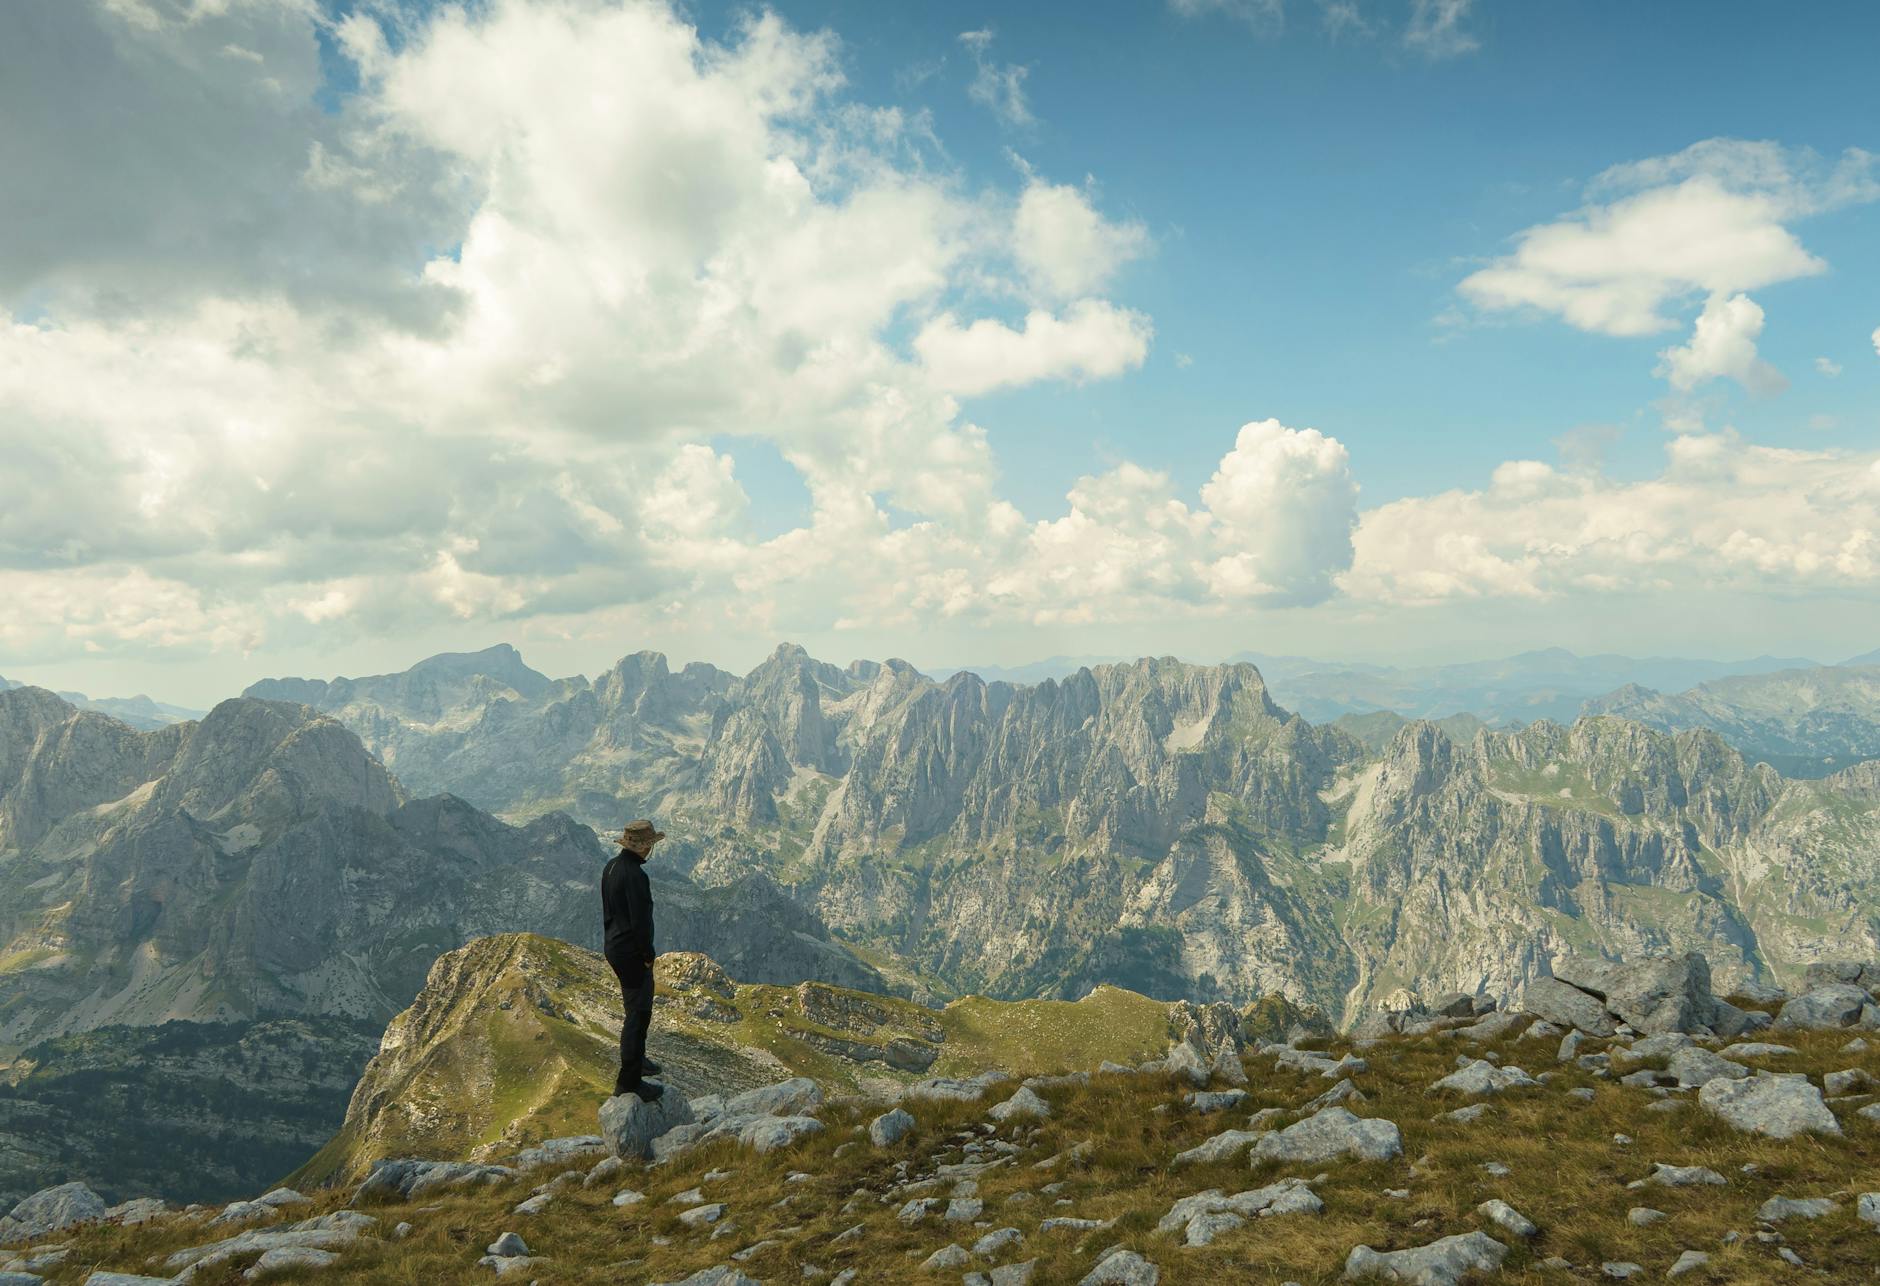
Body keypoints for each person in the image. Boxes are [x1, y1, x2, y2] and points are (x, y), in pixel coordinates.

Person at [601, 818, 665, 1100]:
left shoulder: (612, 867)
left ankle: (639, 1062)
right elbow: (640, 922)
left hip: (615, 946)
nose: (650, 850)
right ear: (644, 847)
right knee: (638, 1015)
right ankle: (629, 1082)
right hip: (631, 952)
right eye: (650, 845)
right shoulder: (636, 876)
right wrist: (648, 956)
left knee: (634, 1010)